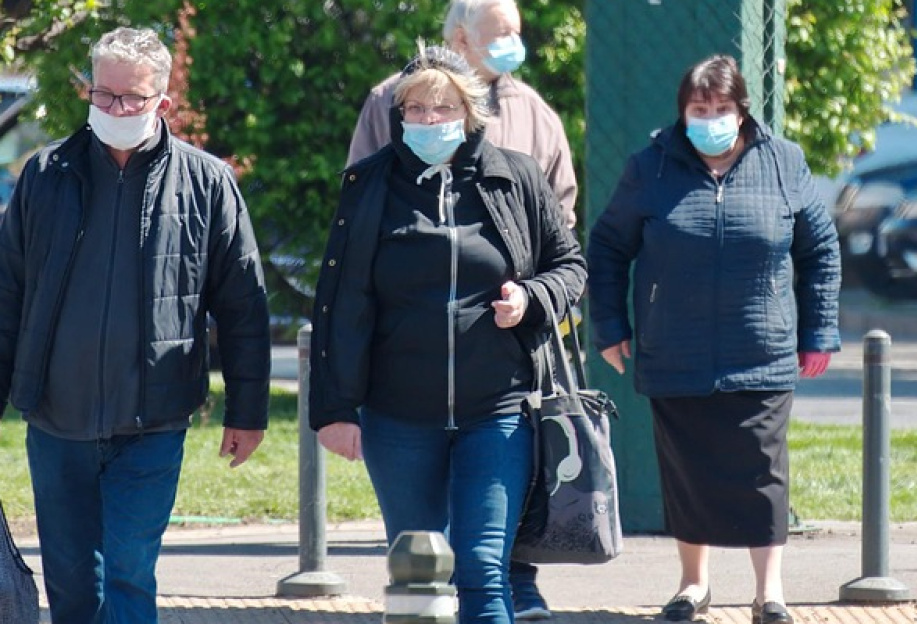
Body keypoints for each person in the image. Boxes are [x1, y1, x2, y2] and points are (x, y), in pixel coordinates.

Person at [0, 27, 271, 623]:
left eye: (131, 99)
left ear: (162, 103)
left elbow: (244, 307)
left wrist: (248, 412)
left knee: (128, 572)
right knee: (72, 586)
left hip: (152, 421)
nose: (115, 110)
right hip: (56, 420)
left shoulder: (207, 183)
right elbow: (8, 291)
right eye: (104, 96)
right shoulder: (44, 175)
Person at [309, 44, 585, 624]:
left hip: (499, 410)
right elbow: (340, 301)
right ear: (398, 115)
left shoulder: (516, 177)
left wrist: (531, 298)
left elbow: (570, 267)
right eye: (416, 109)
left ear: (470, 112)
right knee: (417, 566)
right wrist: (334, 409)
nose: (429, 120)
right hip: (398, 415)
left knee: (484, 566)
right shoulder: (368, 186)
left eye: (444, 108)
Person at [587, 54, 841, 624]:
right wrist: (610, 326)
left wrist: (819, 329)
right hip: (674, 350)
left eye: (722, 109)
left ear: (742, 110)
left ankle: (769, 592)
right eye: (699, 110)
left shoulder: (783, 162)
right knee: (687, 470)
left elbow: (820, 250)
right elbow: (606, 248)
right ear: (682, 114)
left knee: (762, 471)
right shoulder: (649, 168)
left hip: (763, 351)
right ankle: (692, 585)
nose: (711, 120)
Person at [345, 0, 577, 232]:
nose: (515, 43)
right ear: (462, 39)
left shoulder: (536, 113)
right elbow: (359, 193)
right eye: (503, 34)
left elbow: (560, 216)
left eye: (516, 33)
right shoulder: (391, 99)